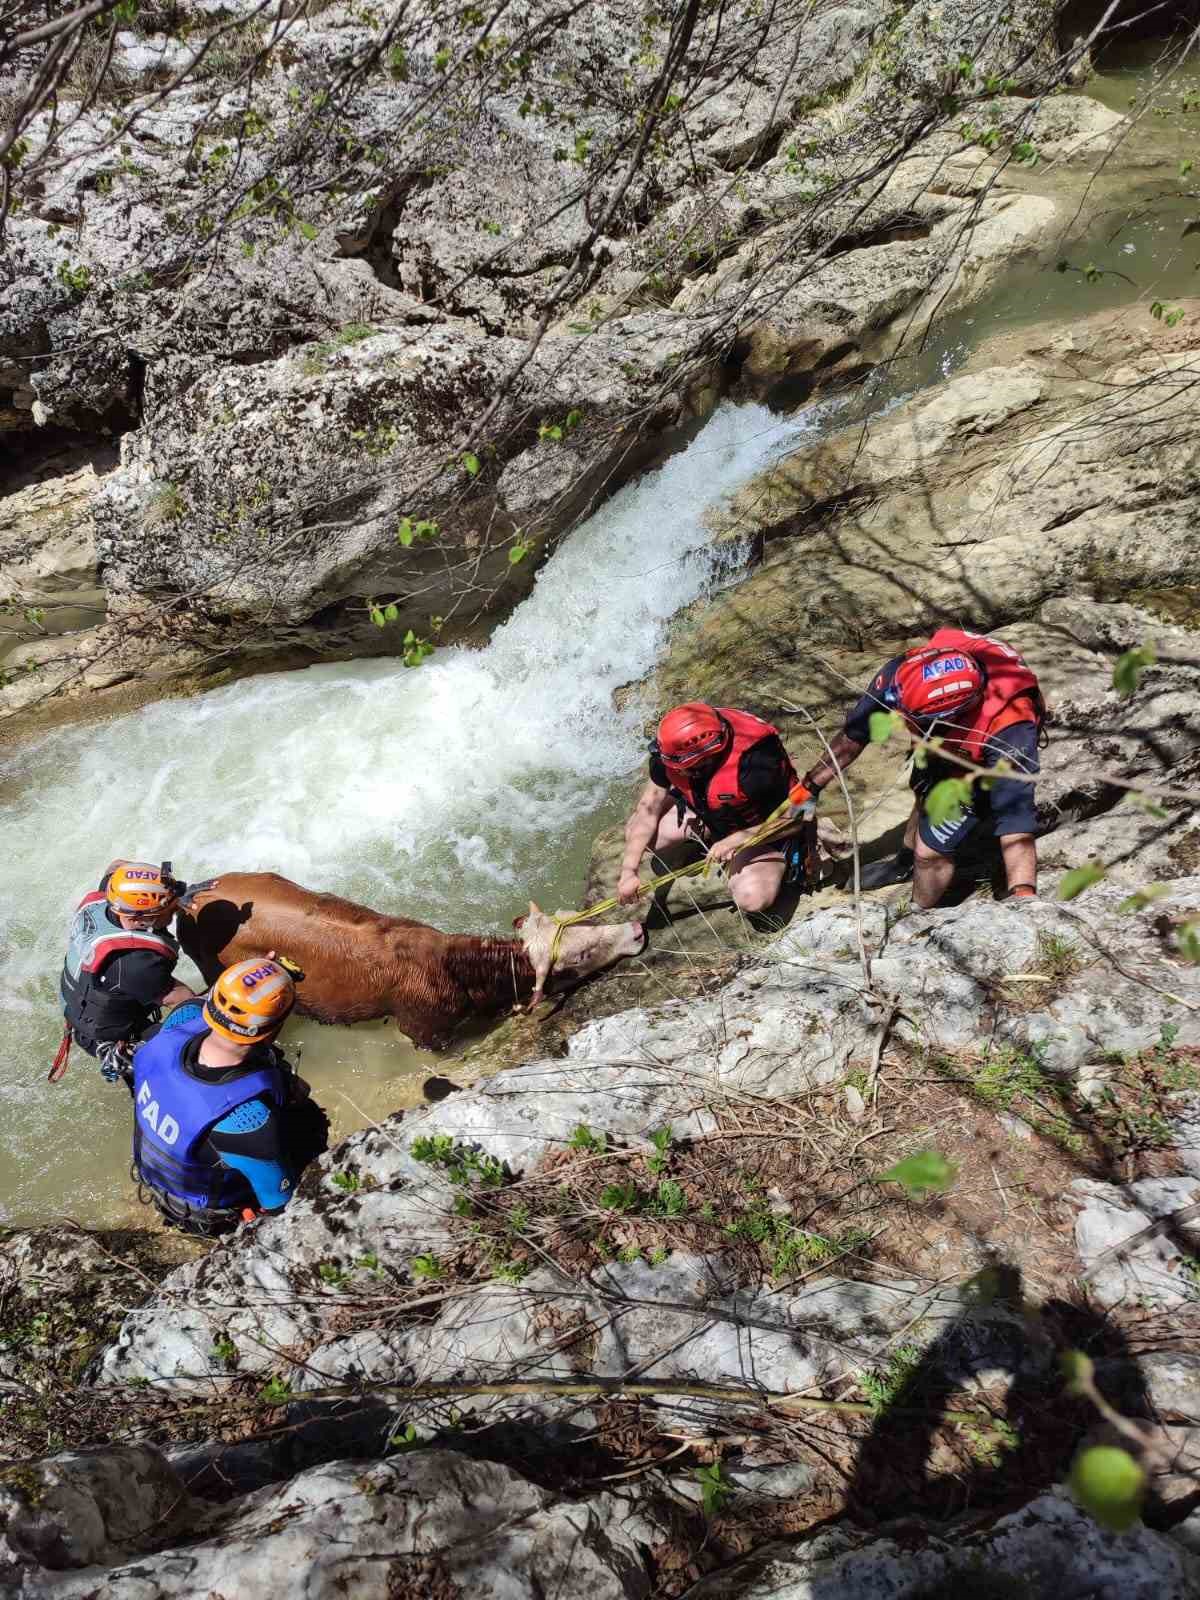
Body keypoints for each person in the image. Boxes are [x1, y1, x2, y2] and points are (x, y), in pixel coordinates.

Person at [792, 627, 1045, 909]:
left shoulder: (1009, 727)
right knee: (924, 784)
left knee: (929, 853)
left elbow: (1015, 819)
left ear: (948, 718)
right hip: (947, 733)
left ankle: (918, 912)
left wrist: (1024, 897)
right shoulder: (901, 677)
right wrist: (807, 789)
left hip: (976, 763)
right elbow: (854, 736)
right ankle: (904, 863)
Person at [130, 956, 328, 1234]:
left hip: (161, 1180)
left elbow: (203, 1003)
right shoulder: (248, 1121)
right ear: (274, 1029)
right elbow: (281, 1208)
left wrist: (256, 977)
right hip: (208, 1213)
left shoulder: (178, 1023)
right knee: (309, 1122)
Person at [617, 702, 809, 915]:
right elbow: (648, 808)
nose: (673, 771)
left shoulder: (757, 763)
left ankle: (785, 857)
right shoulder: (673, 750)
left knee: (751, 898)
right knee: (637, 833)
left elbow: (802, 815)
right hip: (710, 811)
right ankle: (710, 835)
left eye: (682, 768)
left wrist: (737, 840)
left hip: (761, 829)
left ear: (704, 761)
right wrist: (629, 871)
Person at [60, 860, 196, 1082]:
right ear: (139, 919)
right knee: (188, 1055)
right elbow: (186, 1000)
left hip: (84, 1000)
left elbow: (116, 865)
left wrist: (165, 887)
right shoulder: (134, 965)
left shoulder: (105, 901)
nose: (175, 909)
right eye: (168, 908)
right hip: (110, 1036)